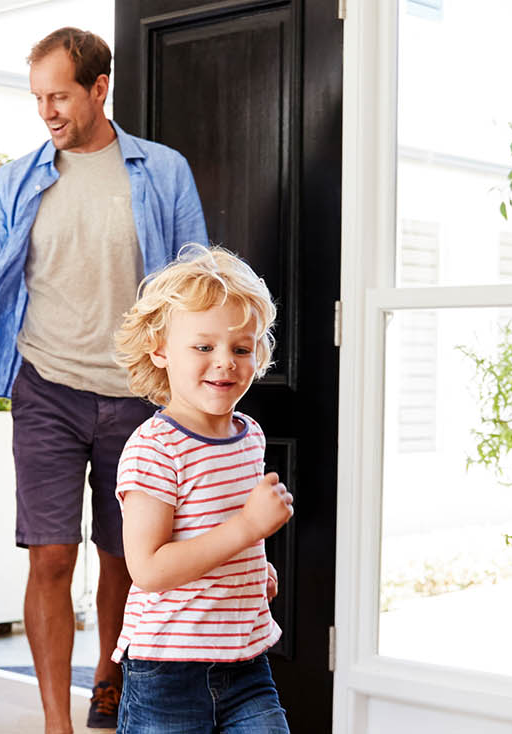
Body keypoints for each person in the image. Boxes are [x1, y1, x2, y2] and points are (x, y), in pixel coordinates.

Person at [0, 27, 208, 732]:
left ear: (98, 88)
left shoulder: (162, 171)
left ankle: (110, 681)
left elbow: (196, 280)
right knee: (51, 555)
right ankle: (56, 720)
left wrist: (203, 379)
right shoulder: (18, 179)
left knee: (124, 556)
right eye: (37, 98)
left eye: (59, 95)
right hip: (48, 387)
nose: (47, 111)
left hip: (139, 400)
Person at [108, 246, 292, 733]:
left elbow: (216, 534)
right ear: (160, 349)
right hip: (168, 668)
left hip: (246, 659)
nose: (225, 363)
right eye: (203, 347)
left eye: (240, 348)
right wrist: (248, 527)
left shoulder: (249, 435)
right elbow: (148, 569)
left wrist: (253, 569)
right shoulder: (155, 449)